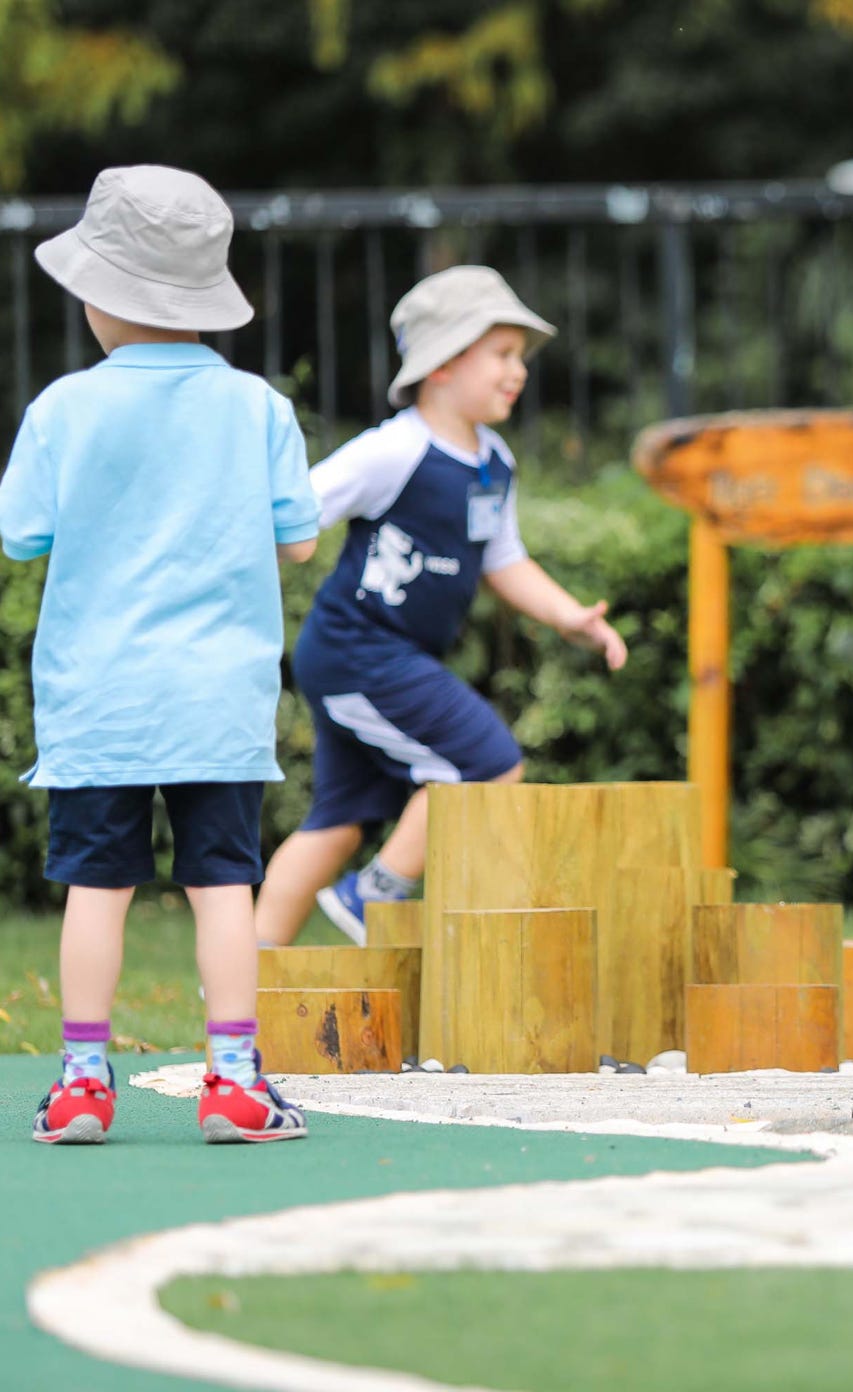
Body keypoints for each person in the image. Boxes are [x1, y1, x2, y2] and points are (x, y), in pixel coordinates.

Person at [0, 165, 319, 1144]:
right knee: (223, 883)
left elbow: (22, 536)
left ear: (100, 297)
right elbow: (299, 539)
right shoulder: (256, 406)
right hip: (217, 694)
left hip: (99, 696)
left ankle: (84, 1085)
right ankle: (232, 1081)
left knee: (99, 887)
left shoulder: (63, 408)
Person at [254, 266, 628, 949]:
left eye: (520, 356)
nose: (518, 371)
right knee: (486, 764)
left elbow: (503, 558)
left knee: (339, 820)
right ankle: (373, 896)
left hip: (384, 657)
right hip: (359, 651)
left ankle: (240, 995)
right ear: (444, 365)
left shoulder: (495, 462)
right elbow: (297, 508)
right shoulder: (396, 449)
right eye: (504, 354)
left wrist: (570, 615)